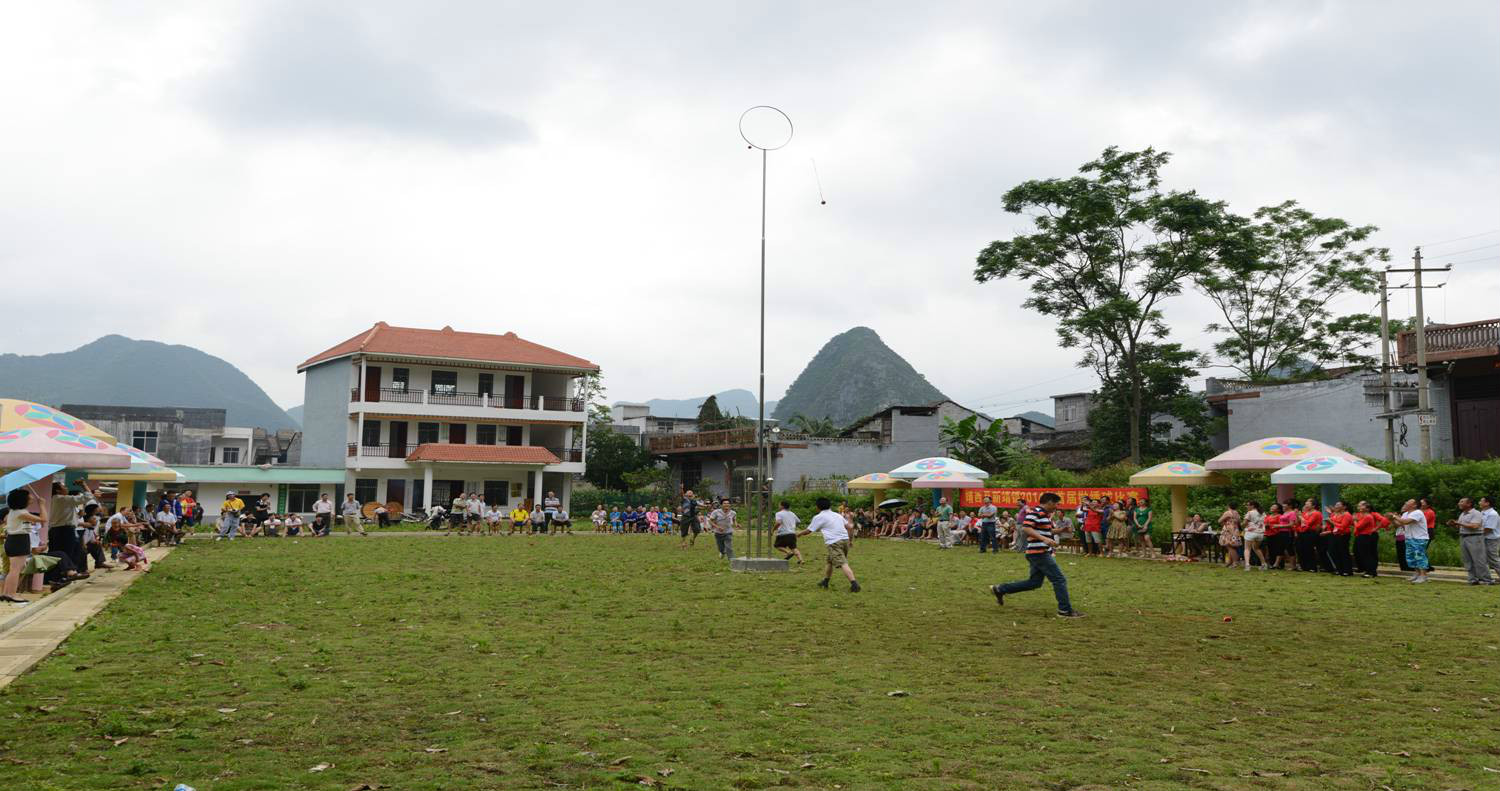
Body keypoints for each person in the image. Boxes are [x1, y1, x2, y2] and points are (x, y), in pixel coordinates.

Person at [990, 492, 1081, 618]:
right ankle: (1065, 610)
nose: (1057, 506)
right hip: (1039, 553)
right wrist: (1044, 539)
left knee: (1034, 583)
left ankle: (1000, 589)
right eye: (1056, 503)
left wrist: (1061, 530)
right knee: (1059, 579)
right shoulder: (1035, 512)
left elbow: (1045, 530)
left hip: (1038, 553)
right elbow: (1026, 528)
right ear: (1049, 502)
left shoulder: (1044, 515)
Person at [797, 497, 858, 592]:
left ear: (817, 507)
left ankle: (854, 584)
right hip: (844, 540)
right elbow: (850, 527)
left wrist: (799, 534)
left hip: (834, 542)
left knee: (842, 563)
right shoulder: (837, 515)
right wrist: (850, 541)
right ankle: (825, 581)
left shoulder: (819, 517)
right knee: (830, 561)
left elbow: (809, 530)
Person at [3, 489, 46, 602]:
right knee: (16, 569)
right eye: (29, 495)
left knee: (14, 569)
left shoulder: (14, 511)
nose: (32, 497)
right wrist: (42, 505)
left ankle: (7, 593)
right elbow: (44, 519)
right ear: (23, 499)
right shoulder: (21, 512)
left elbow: (26, 527)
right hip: (19, 541)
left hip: (14, 540)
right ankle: (12, 594)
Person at [1450, 497, 1492, 585]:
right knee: (1467, 559)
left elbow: (1475, 526)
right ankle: (1473, 579)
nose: (1459, 503)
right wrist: (1454, 524)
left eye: (1461, 502)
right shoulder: (1462, 514)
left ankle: (1487, 580)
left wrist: (1459, 523)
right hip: (1463, 537)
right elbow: (1461, 526)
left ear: (1469, 504)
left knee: (1479, 559)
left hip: (1475, 537)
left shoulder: (1476, 513)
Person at [1387, 499, 1431, 583]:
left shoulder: (1418, 512)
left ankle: (1423, 576)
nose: (1405, 502)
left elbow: (1406, 522)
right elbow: (1400, 525)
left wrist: (1394, 516)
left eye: (1408, 502)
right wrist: (1392, 519)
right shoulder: (1405, 514)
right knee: (1411, 557)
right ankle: (1417, 574)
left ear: (1414, 505)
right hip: (1409, 538)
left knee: (1419, 556)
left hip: (1419, 538)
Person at [1352, 501, 1389, 577]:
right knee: (1359, 552)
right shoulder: (1359, 514)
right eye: (1359, 505)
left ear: (1367, 508)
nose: (1359, 507)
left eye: (1361, 505)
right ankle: (1364, 568)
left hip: (1368, 535)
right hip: (1360, 535)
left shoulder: (1371, 515)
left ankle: (1371, 571)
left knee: (1369, 553)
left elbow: (1384, 521)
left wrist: (1375, 528)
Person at [1323, 500, 1354, 576]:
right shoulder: (1335, 514)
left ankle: (1347, 570)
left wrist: (1331, 521)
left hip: (1343, 535)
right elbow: (1332, 525)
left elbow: (1342, 527)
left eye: (1338, 505)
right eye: (1336, 505)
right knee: (1332, 551)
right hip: (1335, 535)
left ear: (1344, 507)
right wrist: (1328, 523)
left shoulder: (1347, 515)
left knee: (1343, 552)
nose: (1336, 506)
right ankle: (1339, 569)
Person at [1294, 499, 1323, 572]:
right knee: (1300, 549)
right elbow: (1297, 523)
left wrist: (1300, 516)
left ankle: (1312, 567)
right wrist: (1297, 516)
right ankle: (1304, 566)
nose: (1305, 505)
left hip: (1310, 533)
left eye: (1308, 504)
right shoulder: (1305, 513)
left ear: (1313, 506)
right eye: (1305, 504)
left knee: (1309, 550)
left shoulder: (1316, 513)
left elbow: (1308, 523)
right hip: (1302, 532)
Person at [772, 500, 803, 564]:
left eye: (779, 505)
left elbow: (778, 522)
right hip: (792, 533)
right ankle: (801, 560)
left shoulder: (779, 513)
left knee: (777, 545)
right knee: (793, 547)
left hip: (783, 533)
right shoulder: (792, 513)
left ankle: (788, 552)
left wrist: (773, 530)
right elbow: (798, 521)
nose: (778, 506)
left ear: (782, 506)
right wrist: (792, 526)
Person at [1242, 500, 1267, 570]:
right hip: (1260, 533)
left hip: (1251, 532)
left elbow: (1245, 522)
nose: (1247, 506)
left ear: (1252, 506)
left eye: (1248, 505)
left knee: (1247, 549)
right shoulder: (1263, 513)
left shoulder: (1250, 513)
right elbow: (1265, 522)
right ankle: (1264, 564)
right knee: (1256, 548)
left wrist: (1240, 525)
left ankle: (1247, 565)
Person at [1480, 496, 1500, 583]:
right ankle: (1486, 578)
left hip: (1491, 539)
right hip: (1484, 538)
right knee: (1483, 559)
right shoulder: (1482, 512)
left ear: (1487, 503)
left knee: (1493, 559)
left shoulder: (1493, 514)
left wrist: (1476, 535)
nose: (1479, 502)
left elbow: (1488, 529)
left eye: (1481, 501)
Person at [1218, 504, 1242, 568]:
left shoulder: (1227, 513)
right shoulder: (1237, 513)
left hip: (1228, 530)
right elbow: (1239, 522)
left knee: (1229, 546)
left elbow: (1219, 521)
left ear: (1228, 506)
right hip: (1235, 530)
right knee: (1232, 546)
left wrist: (1224, 523)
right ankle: (1229, 562)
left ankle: (1235, 562)